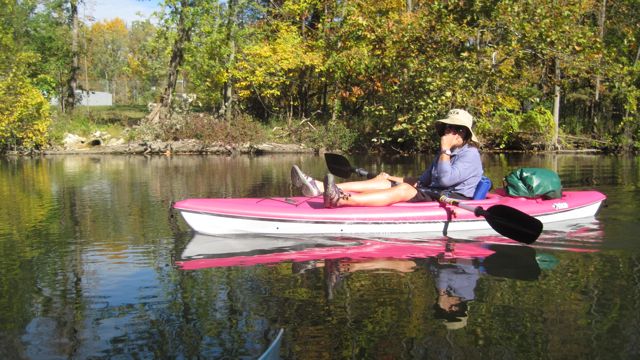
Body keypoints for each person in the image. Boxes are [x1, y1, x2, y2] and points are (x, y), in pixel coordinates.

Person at [291, 109, 483, 208]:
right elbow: (421, 181)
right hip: (431, 191)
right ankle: (320, 187)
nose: (450, 132)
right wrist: (390, 178)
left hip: (449, 197)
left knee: (405, 190)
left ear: (466, 134)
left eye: (457, 129)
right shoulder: (445, 153)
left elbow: (445, 180)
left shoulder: (469, 155)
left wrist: (445, 150)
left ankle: (340, 201)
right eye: (447, 127)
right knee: (384, 181)